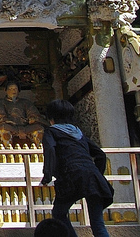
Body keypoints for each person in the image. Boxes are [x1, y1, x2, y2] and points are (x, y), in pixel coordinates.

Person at [39, 99, 113, 237]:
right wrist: (97, 174)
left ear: (51, 117)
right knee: (97, 223)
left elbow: (50, 150)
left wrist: (47, 176)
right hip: (92, 177)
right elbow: (100, 155)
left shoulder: (51, 131)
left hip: (71, 176)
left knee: (59, 213)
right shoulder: (78, 133)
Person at [0, 82, 45, 146]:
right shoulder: (0, 102)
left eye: (15, 89)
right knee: (3, 129)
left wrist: (32, 118)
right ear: (6, 90)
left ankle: (38, 152)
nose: (13, 91)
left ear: (18, 91)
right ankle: (8, 152)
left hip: (25, 126)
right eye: (10, 89)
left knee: (39, 128)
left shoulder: (26, 102)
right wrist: (5, 120)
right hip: (9, 127)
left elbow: (33, 113)